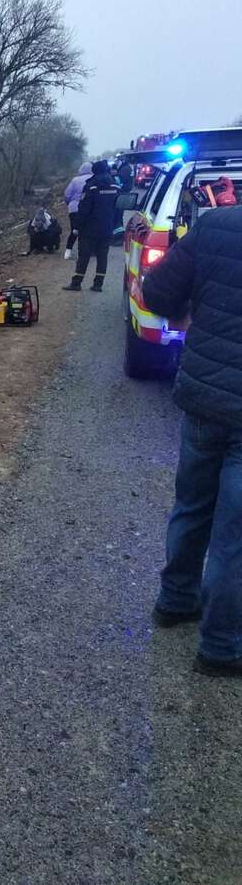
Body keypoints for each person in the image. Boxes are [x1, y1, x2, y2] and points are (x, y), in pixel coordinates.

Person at [143, 206, 242, 676]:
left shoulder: (218, 224)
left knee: (192, 504)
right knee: (235, 537)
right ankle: (222, 646)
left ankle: (176, 599)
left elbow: (157, 290)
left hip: (204, 397)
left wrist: (190, 316)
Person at [62, 160, 119, 292]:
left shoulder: (91, 186)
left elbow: (84, 209)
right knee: (102, 256)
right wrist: (114, 223)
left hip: (89, 228)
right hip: (107, 227)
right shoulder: (115, 186)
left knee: (84, 256)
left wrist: (77, 226)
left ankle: (76, 283)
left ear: (95, 170)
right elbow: (118, 207)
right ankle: (98, 284)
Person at [63, 162, 93, 260]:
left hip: (74, 209)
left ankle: (68, 251)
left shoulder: (75, 180)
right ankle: (84, 252)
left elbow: (67, 194)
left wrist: (69, 203)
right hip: (89, 210)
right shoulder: (93, 180)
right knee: (87, 231)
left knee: (74, 231)